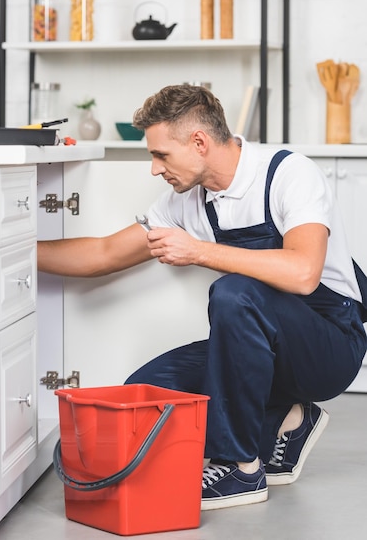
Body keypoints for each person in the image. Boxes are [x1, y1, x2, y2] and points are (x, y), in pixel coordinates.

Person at [38, 84, 367, 511]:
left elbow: (304, 274)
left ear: (198, 142)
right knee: (147, 390)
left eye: (160, 155)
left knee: (233, 292)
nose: (155, 170)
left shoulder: (288, 173)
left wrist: (199, 251)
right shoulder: (188, 201)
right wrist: (8, 250)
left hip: (331, 347)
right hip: (261, 346)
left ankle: (242, 470)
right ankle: (289, 419)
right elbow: (103, 254)